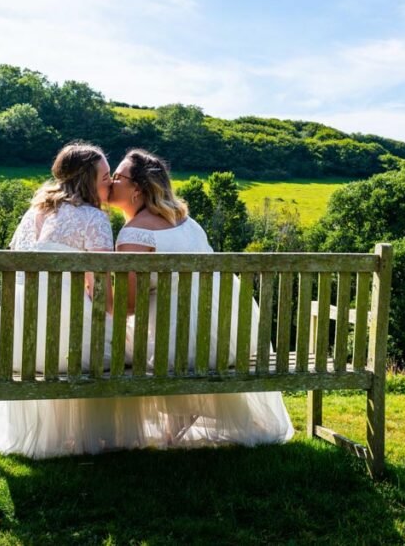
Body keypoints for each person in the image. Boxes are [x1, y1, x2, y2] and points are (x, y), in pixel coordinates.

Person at [108, 148, 294, 448]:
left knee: (109, 341)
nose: (111, 181)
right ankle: (174, 429)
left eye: (117, 176)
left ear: (137, 189)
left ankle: (141, 429)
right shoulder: (187, 222)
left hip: (181, 345)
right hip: (226, 336)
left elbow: (128, 307)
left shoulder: (134, 234)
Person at [0, 142, 122, 458]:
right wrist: (117, 321)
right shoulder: (93, 218)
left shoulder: (34, 212)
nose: (110, 182)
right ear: (86, 179)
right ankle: (86, 435)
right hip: (68, 343)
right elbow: (101, 287)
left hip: (19, 341)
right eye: (105, 175)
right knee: (119, 344)